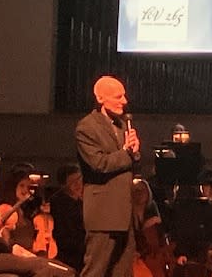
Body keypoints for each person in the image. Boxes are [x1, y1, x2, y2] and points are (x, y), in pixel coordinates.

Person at [75, 76, 140, 277]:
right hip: (103, 214)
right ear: (100, 98)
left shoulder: (122, 126)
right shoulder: (86, 127)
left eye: (124, 95)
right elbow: (99, 164)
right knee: (96, 270)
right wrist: (127, 153)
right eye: (118, 96)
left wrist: (136, 152)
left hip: (124, 214)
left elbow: (127, 161)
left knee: (123, 272)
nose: (125, 101)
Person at [0, 158, 75, 276]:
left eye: (28, 187)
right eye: (22, 186)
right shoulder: (7, 209)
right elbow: (0, 238)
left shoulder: (26, 211)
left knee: (62, 269)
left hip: (19, 253)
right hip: (6, 255)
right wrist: (12, 248)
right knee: (56, 270)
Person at [50, 164, 85, 272]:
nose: (78, 184)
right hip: (70, 254)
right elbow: (64, 232)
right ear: (63, 185)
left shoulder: (80, 202)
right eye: (73, 182)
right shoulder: (61, 203)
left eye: (79, 180)